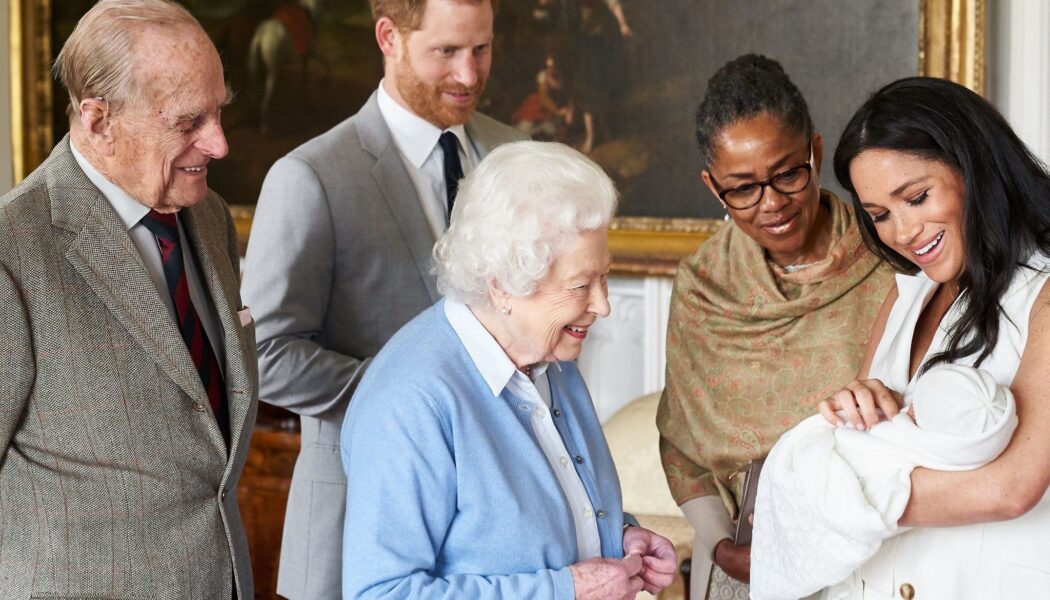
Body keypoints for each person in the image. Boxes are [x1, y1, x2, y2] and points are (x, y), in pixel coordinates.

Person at [239, 0, 526, 597]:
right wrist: (414, 399)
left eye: (482, 49)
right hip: (355, 526)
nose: (469, 75)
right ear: (388, 37)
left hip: (499, 541)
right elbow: (263, 355)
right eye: (446, 52)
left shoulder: (517, 157)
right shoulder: (310, 176)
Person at [340, 140, 676, 599]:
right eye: (580, 286)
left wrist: (621, 537)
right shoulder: (411, 401)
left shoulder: (550, 356)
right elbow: (382, 593)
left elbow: (536, 526)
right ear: (501, 287)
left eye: (604, 277)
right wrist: (565, 591)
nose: (603, 305)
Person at [0, 1, 257, 597]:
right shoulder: (14, 251)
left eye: (219, 112)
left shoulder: (210, 219)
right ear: (97, 120)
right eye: (189, 121)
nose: (218, 143)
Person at [655, 54, 895, 599]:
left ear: (815, 150)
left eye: (787, 173)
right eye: (742, 188)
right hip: (748, 564)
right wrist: (719, 546)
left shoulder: (890, 255)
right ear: (714, 187)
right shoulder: (703, 288)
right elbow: (681, 444)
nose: (772, 205)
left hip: (878, 555)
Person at [810, 76, 1050, 599]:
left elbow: (1013, 489)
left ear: (975, 167)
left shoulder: (1044, 295)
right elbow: (864, 439)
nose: (901, 232)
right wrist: (853, 409)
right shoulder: (904, 297)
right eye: (879, 216)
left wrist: (829, 493)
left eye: (916, 197)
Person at [750, 365, 1016, 600]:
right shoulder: (970, 445)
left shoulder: (910, 459)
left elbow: (860, 512)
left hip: (834, 474)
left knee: (807, 477)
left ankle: (774, 533)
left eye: (914, 410)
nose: (908, 410)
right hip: (830, 455)